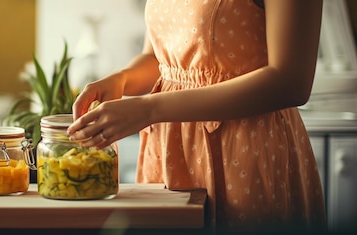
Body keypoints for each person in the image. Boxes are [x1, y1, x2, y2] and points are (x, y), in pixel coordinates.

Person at [67, 0, 327, 232]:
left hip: (244, 151)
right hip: (168, 151)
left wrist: (150, 108)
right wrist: (121, 79)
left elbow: (290, 81)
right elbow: (158, 59)